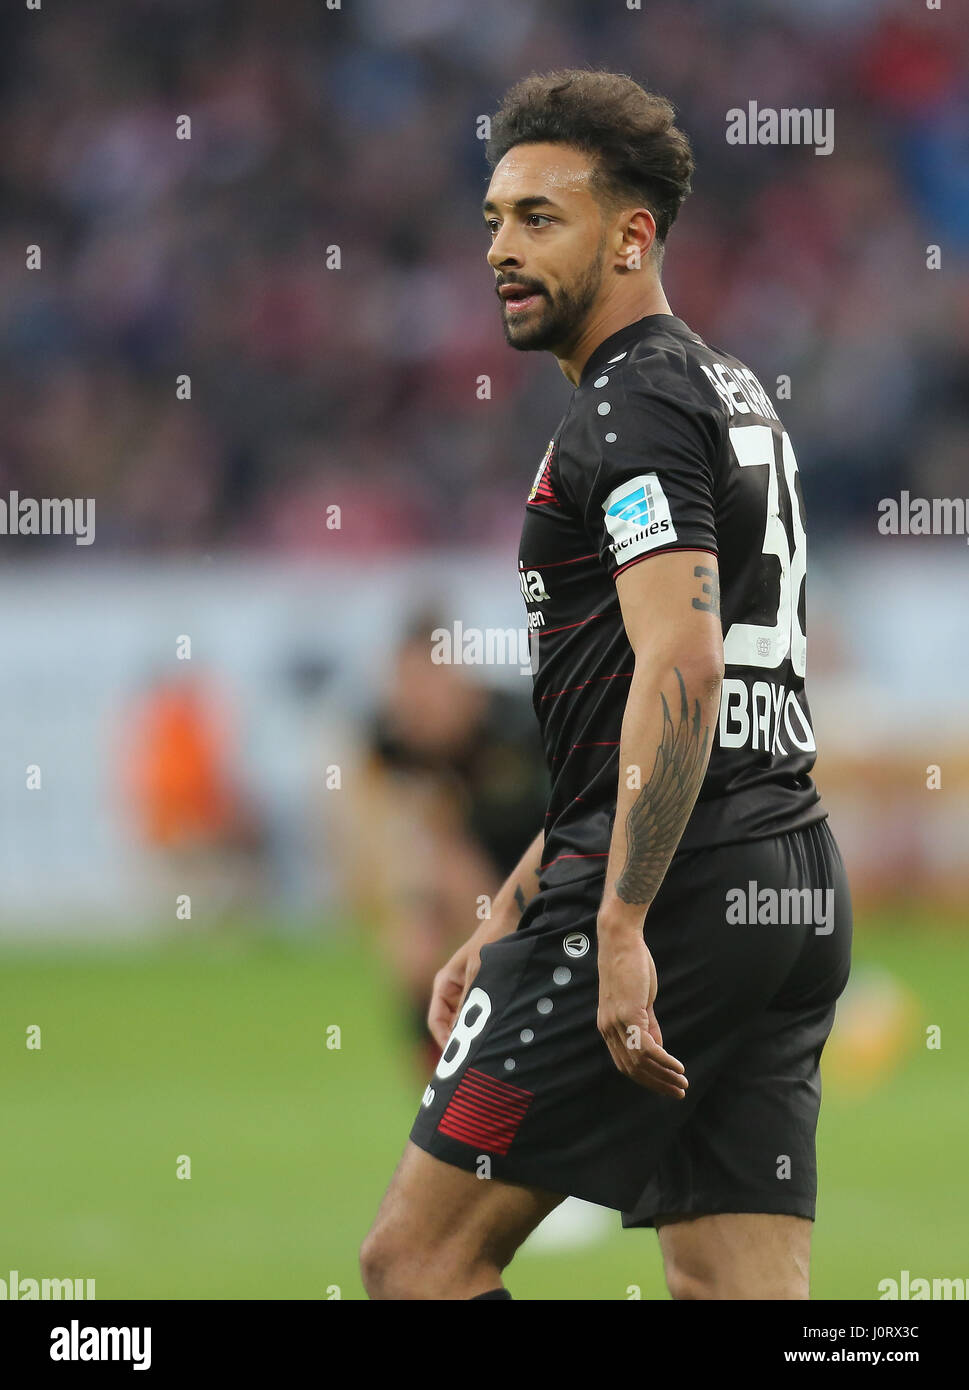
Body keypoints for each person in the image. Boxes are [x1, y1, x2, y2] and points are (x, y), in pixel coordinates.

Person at [360, 69, 852, 1301]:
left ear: (634, 234)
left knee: (418, 1263)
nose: (501, 251)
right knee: (736, 1290)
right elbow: (638, 713)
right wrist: (512, 903)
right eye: (492, 220)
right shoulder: (728, 389)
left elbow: (682, 664)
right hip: (785, 880)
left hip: (666, 888)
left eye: (541, 219)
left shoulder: (628, 406)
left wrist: (615, 920)